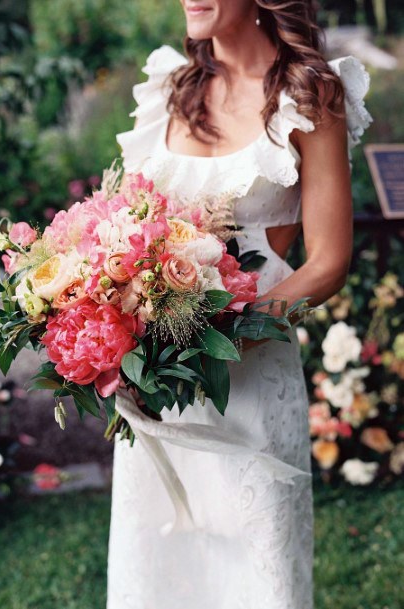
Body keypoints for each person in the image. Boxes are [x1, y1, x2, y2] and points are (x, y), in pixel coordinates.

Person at [107, 1, 372, 608]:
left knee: (257, 564)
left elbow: (328, 259)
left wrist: (223, 337)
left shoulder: (308, 94)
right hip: (158, 375)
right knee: (162, 556)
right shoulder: (171, 88)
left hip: (251, 372)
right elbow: (127, 228)